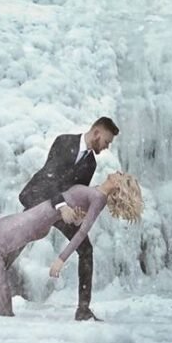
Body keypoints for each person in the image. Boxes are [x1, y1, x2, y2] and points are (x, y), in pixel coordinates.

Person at [0, 172, 142, 317]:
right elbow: (76, 217)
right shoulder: (96, 191)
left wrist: (61, 259)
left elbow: (81, 233)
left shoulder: (98, 198)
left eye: (121, 175)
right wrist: (77, 217)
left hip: (38, 220)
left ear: (118, 186)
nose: (117, 172)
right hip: (38, 214)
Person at [17, 117, 119, 321]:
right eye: (106, 141)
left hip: (62, 208)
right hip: (39, 198)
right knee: (14, 242)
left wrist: (78, 213)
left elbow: (76, 191)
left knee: (86, 248)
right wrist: (62, 206)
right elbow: (50, 178)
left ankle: (83, 310)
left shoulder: (91, 163)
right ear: (96, 133)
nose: (106, 147)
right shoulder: (64, 142)